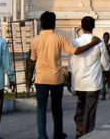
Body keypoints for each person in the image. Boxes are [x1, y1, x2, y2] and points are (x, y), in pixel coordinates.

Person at [30, 11, 100, 139]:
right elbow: (76, 51)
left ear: (41, 23)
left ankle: (42, 136)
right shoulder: (59, 38)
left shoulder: (35, 40)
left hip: (40, 78)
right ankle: (58, 134)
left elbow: (33, 60)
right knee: (57, 109)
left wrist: (30, 79)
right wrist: (92, 43)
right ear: (54, 23)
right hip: (56, 78)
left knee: (41, 108)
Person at [68, 16, 110, 138]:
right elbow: (105, 64)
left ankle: (79, 127)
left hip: (78, 81)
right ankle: (86, 134)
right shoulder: (99, 43)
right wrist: (107, 76)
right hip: (93, 82)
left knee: (80, 105)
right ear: (93, 27)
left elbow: (70, 63)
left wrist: (69, 79)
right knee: (89, 110)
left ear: (81, 27)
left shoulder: (75, 42)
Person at [100, 32, 110, 100]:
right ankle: (103, 95)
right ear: (103, 37)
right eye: (105, 37)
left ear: (109, 38)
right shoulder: (100, 45)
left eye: (107, 37)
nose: (106, 38)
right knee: (102, 81)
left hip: (109, 65)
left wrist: (108, 48)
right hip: (102, 65)